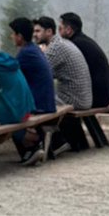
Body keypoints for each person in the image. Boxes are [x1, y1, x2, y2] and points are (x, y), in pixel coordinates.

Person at [33, 16, 92, 153]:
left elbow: (38, 73)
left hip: (74, 100)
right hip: (84, 97)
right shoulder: (63, 43)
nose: (34, 35)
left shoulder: (55, 48)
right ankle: (58, 139)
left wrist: (40, 55)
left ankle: (56, 140)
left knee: (35, 101)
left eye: (37, 31)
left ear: (49, 32)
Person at [9, 17, 56, 165]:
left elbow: (10, 75)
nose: (11, 37)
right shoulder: (33, 49)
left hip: (40, 104)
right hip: (46, 100)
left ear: (20, 36)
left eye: (13, 34)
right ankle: (32, 146)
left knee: (6, 113)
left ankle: (31, 147)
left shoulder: (26, 53)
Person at [58, 13, 109, 109]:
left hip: (96, 98)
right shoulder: (84, 41)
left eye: (60, 28)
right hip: (105, 95)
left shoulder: (74, 45)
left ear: (68, 30)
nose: (58, 32)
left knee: (54, 98)